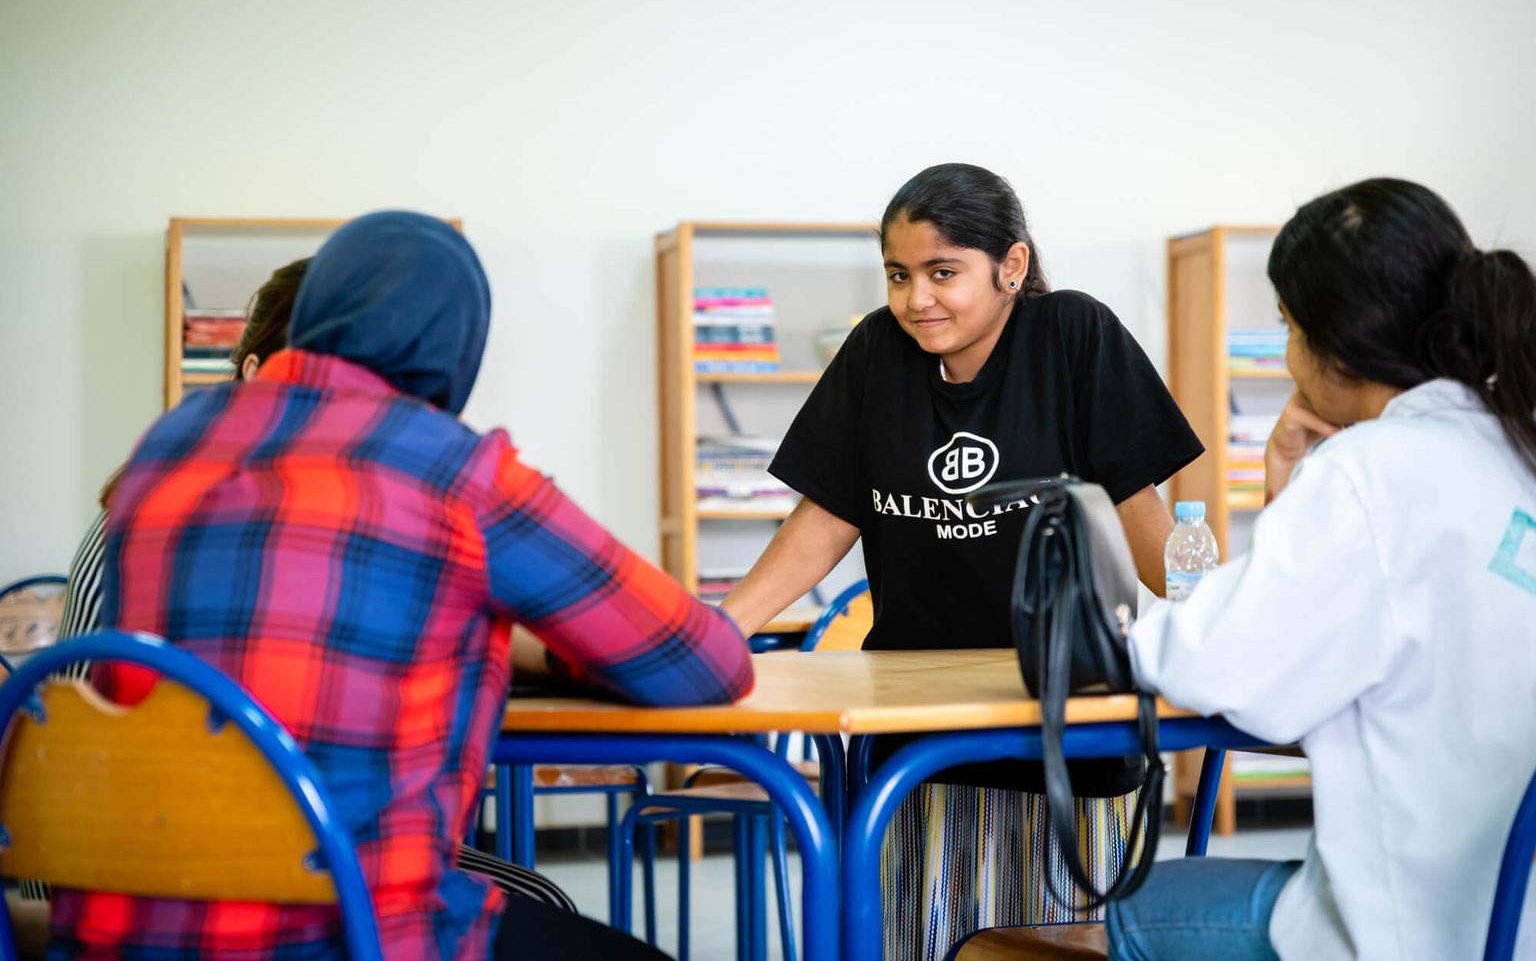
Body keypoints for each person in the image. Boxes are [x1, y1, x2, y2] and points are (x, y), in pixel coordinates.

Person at [48, 212, 754, 960]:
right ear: (459, 349)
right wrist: (574, 655)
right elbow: (708, 662)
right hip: (347, 930)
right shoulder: (456, 470)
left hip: (120, 927)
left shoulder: (169, 443)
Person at [723, 164, 1203, 959]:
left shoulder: (1073, 336)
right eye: (900, 275)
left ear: (1011, 267)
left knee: (1045, 947)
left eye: (944, 273)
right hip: (915, 731)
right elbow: (827, 518)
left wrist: (1219, 620)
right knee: (922, 943)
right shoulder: (878, 350)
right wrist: (718, 628)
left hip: (1064, 724)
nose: (918, 299)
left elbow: (1142, 518)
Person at [1111, 178, 1536, 960]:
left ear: (1333, 343)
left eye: (1288, 326)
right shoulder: (1511, 448)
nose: (1286, 353)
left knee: (1133, 903)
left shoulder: (1373, 470)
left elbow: (1217, 664)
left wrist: (1108, 635)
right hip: (1510, 921)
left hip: (1405, 935)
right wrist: (1288, 483)